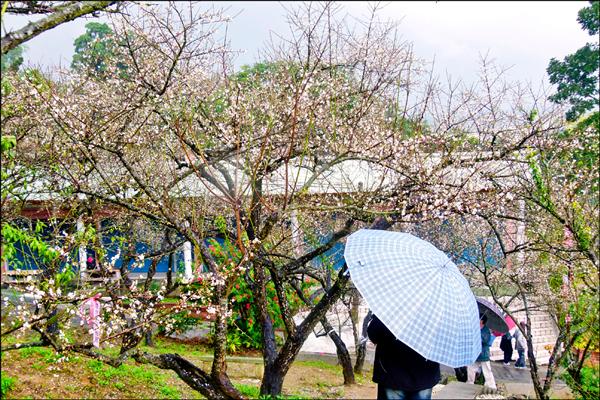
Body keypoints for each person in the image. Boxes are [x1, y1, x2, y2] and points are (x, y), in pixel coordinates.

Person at [367, 314, 441, 400]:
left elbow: (374, 334)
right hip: (425, 374)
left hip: (392, 372)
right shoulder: (437, 311)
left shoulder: (393, 306)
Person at [467, 315, 497, 390]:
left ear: (482, 320)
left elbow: (486, 340)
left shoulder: (486, 330)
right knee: (470, 368)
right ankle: (470, 383)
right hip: (475, 353)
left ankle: (491, 385)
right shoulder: (475, 328)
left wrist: (478, 335)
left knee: (487, 370)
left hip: (483, 353)